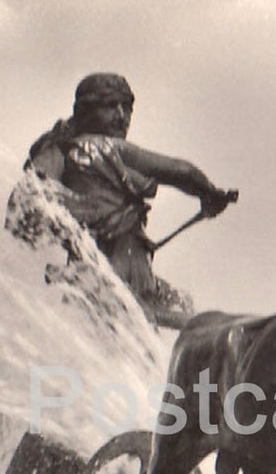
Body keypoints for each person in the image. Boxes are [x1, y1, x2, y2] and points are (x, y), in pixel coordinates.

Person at [25, 72, 237, 308]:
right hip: (121, 281)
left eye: (126, 108)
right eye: (110, 106)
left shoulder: (60, 153)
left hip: (96, 276)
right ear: (87, 111)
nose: (121, 116)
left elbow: (31, 195)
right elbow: (181, 171)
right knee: (186, 311)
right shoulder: (102, 146)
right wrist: (210, 193)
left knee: (181, 301)